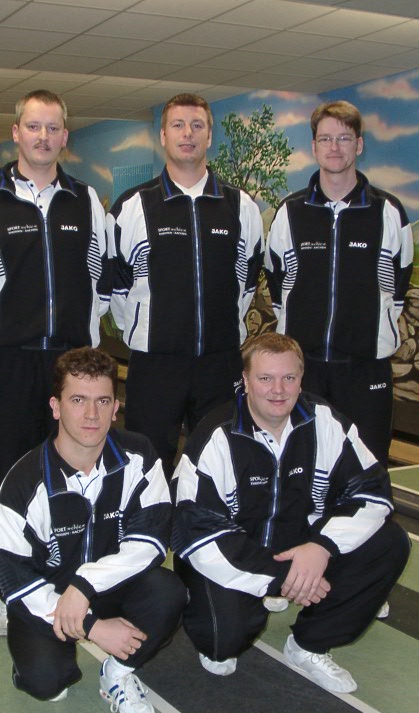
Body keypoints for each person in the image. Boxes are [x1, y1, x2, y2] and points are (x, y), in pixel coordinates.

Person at [172, 333, 409, 692]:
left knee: (390, 542)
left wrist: (322, 547)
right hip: (238, 550)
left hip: (303, 545)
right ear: (246, 380)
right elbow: (198, 533)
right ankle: (243, 609)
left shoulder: (326, 422)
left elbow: (372, 492)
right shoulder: (216, 436)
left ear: (301, 379)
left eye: (289, 378)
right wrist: (280, 576)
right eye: (265, 378)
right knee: (222, 642)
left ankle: (309, 644)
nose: (278, 390)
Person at [0, 90, 109, 638]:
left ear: (64, 136)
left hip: (70, 363)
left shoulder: (85, 199)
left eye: (52, 128)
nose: (43, 137)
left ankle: (70, 581)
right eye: (33, 126)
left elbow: (101, 278)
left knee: (71, 475)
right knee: (9, 478)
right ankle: (8, 590)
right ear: (16, 132)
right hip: (7, 360)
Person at [0, 347, 186, 713]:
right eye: (78, 400)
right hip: (50, 597)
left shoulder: (140, 457)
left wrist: (85, 586)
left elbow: (150, 542)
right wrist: (94, 626)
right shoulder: (22, 485)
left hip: (110, 584)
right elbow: (17, 582)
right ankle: (38, 660)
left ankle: (119, 672)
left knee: (170, 593)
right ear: (56, 407)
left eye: (103, 401)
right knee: (46, 682)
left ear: (116, 408)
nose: (92, 414)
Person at [108, 92, 263, 476]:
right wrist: (146, 329)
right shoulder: (133, 206)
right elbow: (118, 288)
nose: (188, 134)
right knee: (147, 466)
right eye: (178, 125)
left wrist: (221, 329)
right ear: (163, 135)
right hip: (154, 364)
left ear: (209, 136)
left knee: (219, 466)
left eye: (197, 126)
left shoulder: (240, 206)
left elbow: (246, 284)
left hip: (220, 362)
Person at [265, 100, 414, 466]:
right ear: (314, 147)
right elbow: (278, 283)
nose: (334, 147)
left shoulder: (387, 212)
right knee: (300, 464)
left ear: (358, 145)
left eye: (344, 138)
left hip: (365, 368)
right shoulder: (291, 212)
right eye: (326, 139)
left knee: (366, 465)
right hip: (303, 367)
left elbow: (397, 287)